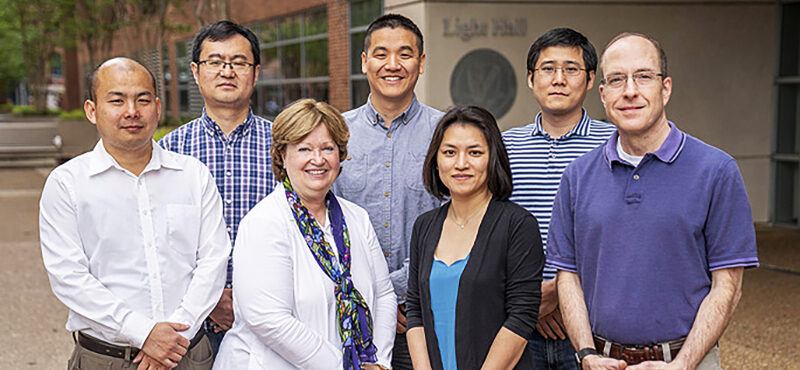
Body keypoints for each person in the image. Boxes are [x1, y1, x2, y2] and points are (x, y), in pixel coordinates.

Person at [547, 33, 759, 370]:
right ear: (602, 94)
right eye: (617, 79)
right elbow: (568, 275)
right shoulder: (577, 176)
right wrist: (586, 353)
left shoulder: (716, 170)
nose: (630, 91)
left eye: (644, 76)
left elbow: (728, 286)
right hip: (601, 362)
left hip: (689, 361)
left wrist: (683, 364)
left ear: (666, 88)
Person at [39, 57, 230, 370]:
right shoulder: (67, 184)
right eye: (117, 100)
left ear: (156, 107)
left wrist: (171, 338)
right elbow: (68, 276)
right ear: (91, 109)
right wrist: (143, 334)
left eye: (142, 100)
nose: (131, 111)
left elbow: (213, 260)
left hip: (189, 355)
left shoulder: (193, 176)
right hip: (106, 359)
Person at [213, 99, 396, 370]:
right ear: (283, 156)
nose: (318, 159)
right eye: (304, 149)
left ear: (340, 154)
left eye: (327, 148)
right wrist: (345, 367)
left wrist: (378, 362)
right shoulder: (264, 223)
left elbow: (384, 295)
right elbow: (269, 319)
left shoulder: (357, 218)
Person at [331, 13, 444, 369]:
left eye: (405, 54)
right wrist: (373, 298)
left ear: (421, 63)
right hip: (345, 317)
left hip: (426, 315)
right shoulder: (334, 134)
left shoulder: (447, 133)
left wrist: (395, 294)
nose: (392, 65)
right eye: (381, 54)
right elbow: (315, 219)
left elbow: (459, 223)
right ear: (364, 62)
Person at [502, 28, 616, 370]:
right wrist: (530, 302)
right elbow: (491, 229)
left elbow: (620, 233)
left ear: (591, 78)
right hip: (520, 320)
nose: (558, 79)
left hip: (591, 322)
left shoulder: (614, 143)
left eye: (571, 69)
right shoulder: (506, 147)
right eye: (548, 69)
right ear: (531, 79)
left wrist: (558, 296)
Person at [159, 20, 275, 355]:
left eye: (239, 62)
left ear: (255, 73)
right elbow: (160, 241)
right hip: (189, 326)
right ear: (195, 72)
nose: (227, 71)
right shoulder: (169, 150)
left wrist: (252, 299)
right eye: (215, 62)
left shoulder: (285, 146)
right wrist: (209, 301)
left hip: (270, 318)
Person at [406, 106, 544, 370]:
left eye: (475, 152)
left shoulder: (517, 225)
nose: (461, 164)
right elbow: (415, 310)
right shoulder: (424, 226)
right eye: (449, 152)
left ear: (493, 158)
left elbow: (521, 316)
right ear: (436, 160)